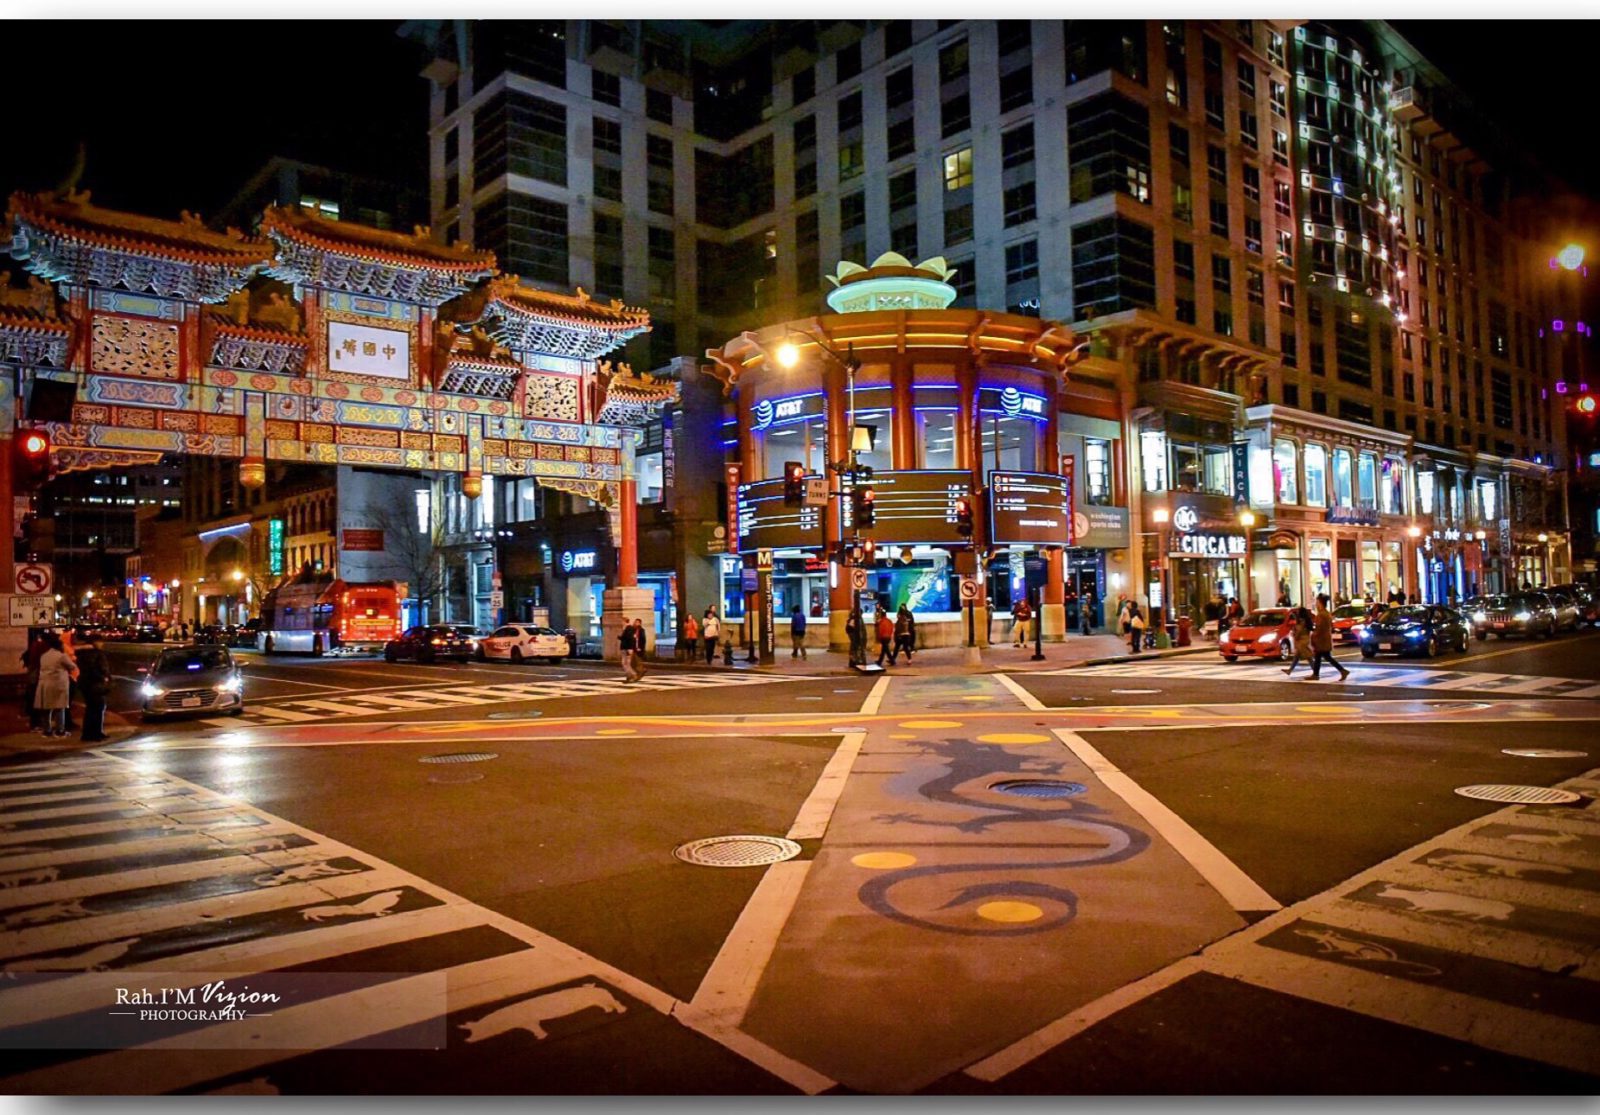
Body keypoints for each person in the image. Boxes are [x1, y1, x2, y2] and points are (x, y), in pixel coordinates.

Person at [36, 632, 76, 738]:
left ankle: (47, 730)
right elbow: (72, 666)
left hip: (44, 683)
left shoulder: (44, 656)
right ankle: (60, 730)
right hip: (58, 684)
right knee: (60, 707)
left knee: (46, 708)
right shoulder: (61, 656)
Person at [75, 635, 111, 742]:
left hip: (85, 684)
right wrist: (104, 677)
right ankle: (94, 733)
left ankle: (92, 732)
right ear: (95, 642)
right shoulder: (95, 653)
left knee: (92, 708)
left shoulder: (82, 653)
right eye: (100, 642)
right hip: (95, 684)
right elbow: (96, 669)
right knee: (97, 708)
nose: (102, 644)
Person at [1307, 593, 1350, 682]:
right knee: (1321, 657)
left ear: (1320, 603)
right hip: (1324, 640)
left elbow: (1319, 629)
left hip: (1321, 640)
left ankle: (1342, 671)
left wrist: (1313, 637)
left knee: (1324, 657)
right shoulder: (1326, 613)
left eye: (1317, 602)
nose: (1316, 604)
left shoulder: (1322, 615)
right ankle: (1316, 674)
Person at [1282, 607, 1314, 676]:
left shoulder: (1302, 621)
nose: (1297, 613)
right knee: (1297, 657)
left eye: (1298, 612)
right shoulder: (1307, 620)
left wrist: (1295, 636)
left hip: (1302, 641)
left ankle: (1315, 671)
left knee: (1308, 657)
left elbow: (1299, 630)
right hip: (1305, 640)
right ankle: (1290, 670)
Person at [618, 617, 639, 683]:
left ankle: (633, 675)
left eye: (622, 621)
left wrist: (630, 648)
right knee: (626, 663)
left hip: (626, 648)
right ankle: (629, 676)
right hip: (625, 648)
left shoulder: (629, 628)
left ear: (624, 621)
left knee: (625, 663)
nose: (621, 623)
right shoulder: (627, 628)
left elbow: (630, 639)